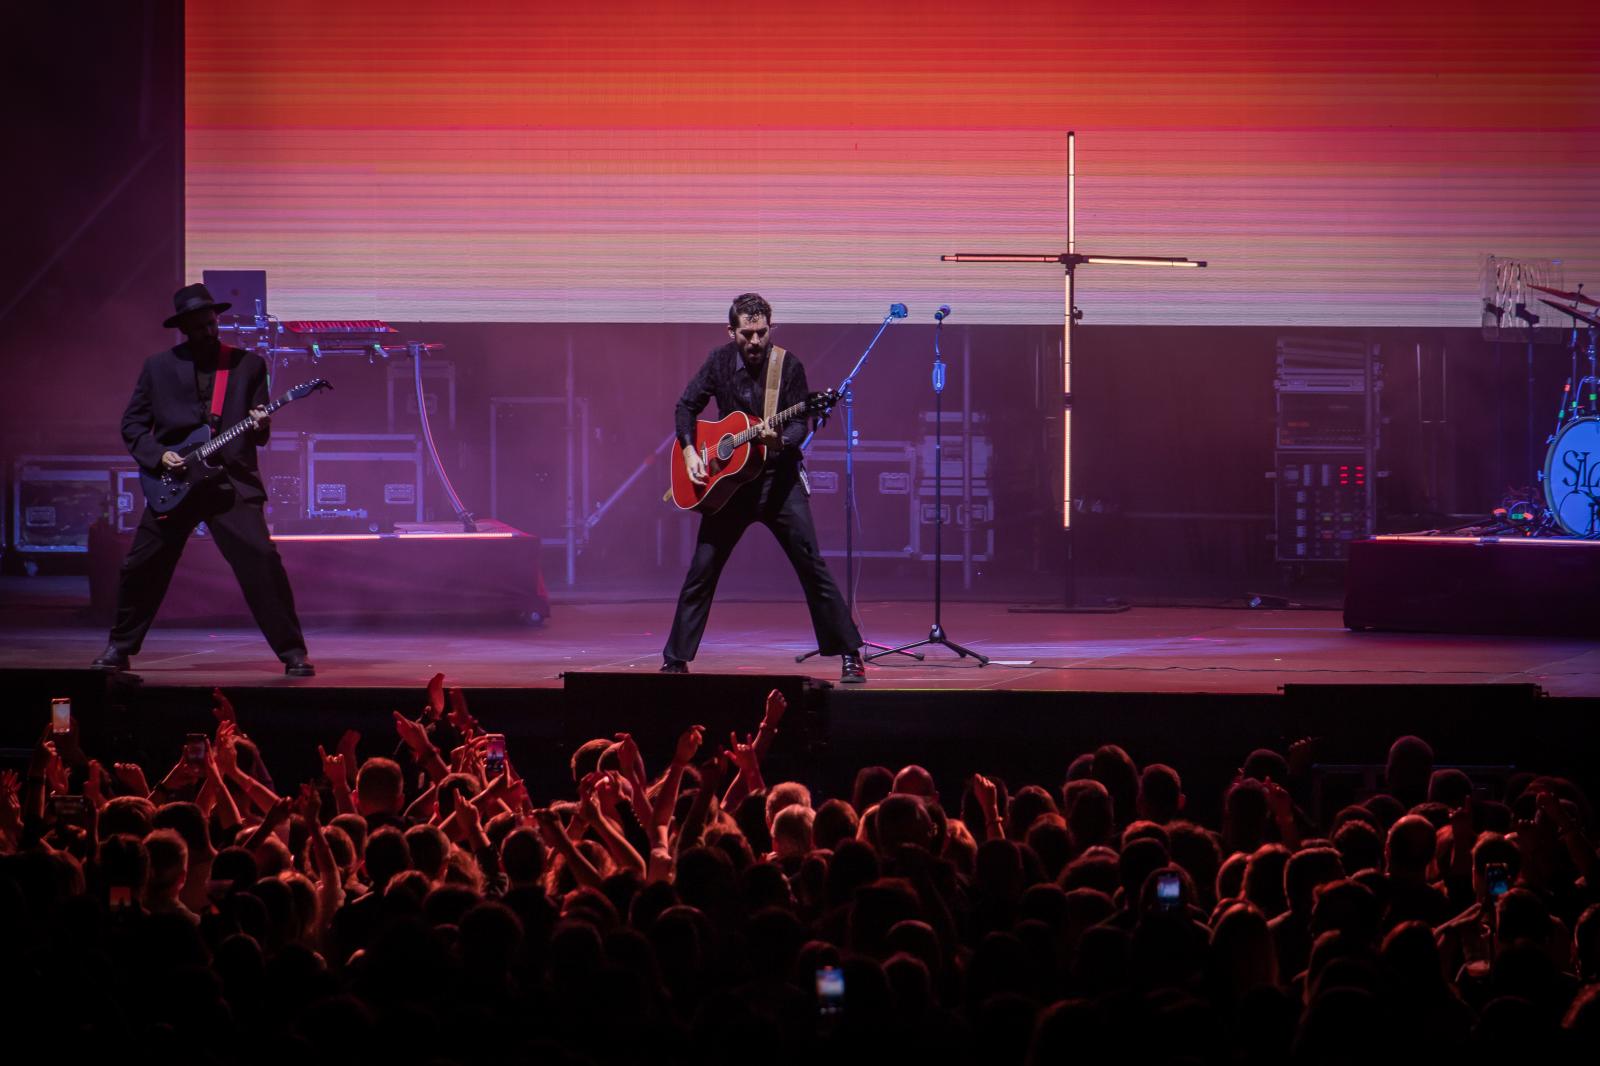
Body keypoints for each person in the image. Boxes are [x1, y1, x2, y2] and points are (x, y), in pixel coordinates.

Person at [91, 283, 314, 676]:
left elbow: (258, 434)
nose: (209, 332)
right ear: (184, 328)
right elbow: (133, 425)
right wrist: (160, 455)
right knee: (143, 564)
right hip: (175, 484)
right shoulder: (157, 368)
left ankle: (293, 652)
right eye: (199, 326)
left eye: (212, 324)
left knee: (261, 560)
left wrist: (262, 423)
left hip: (230, 482)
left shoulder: (248, 365)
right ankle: (119, 647)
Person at [663, 293, 865, 682]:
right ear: (732, 331)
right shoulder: (718, 361)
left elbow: (798, 425)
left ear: (770, 328)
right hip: (730, 487)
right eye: (747, 334)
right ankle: (676, 659)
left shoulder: (787, 366)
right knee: (701, 570)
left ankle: (850, 655)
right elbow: (686, 406)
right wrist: (690, 451)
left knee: (812, 566)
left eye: (762, 333)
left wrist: (778, 441)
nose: (755, 342)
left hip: (779, 482)